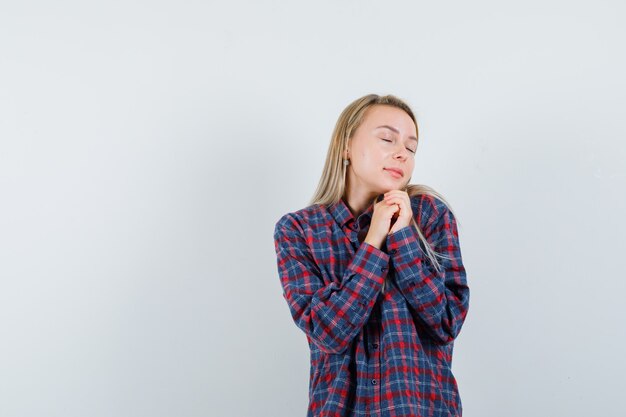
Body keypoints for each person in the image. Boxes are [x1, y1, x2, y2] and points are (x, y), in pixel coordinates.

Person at [273, 93, 470, 417]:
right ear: (346, 146)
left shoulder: (430, 215)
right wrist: (373, 241)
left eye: (410, 147)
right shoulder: (299, 230)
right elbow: (328, 331)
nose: (401, 154)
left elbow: (446, 322)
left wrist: (403, 237)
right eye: (387, 139)